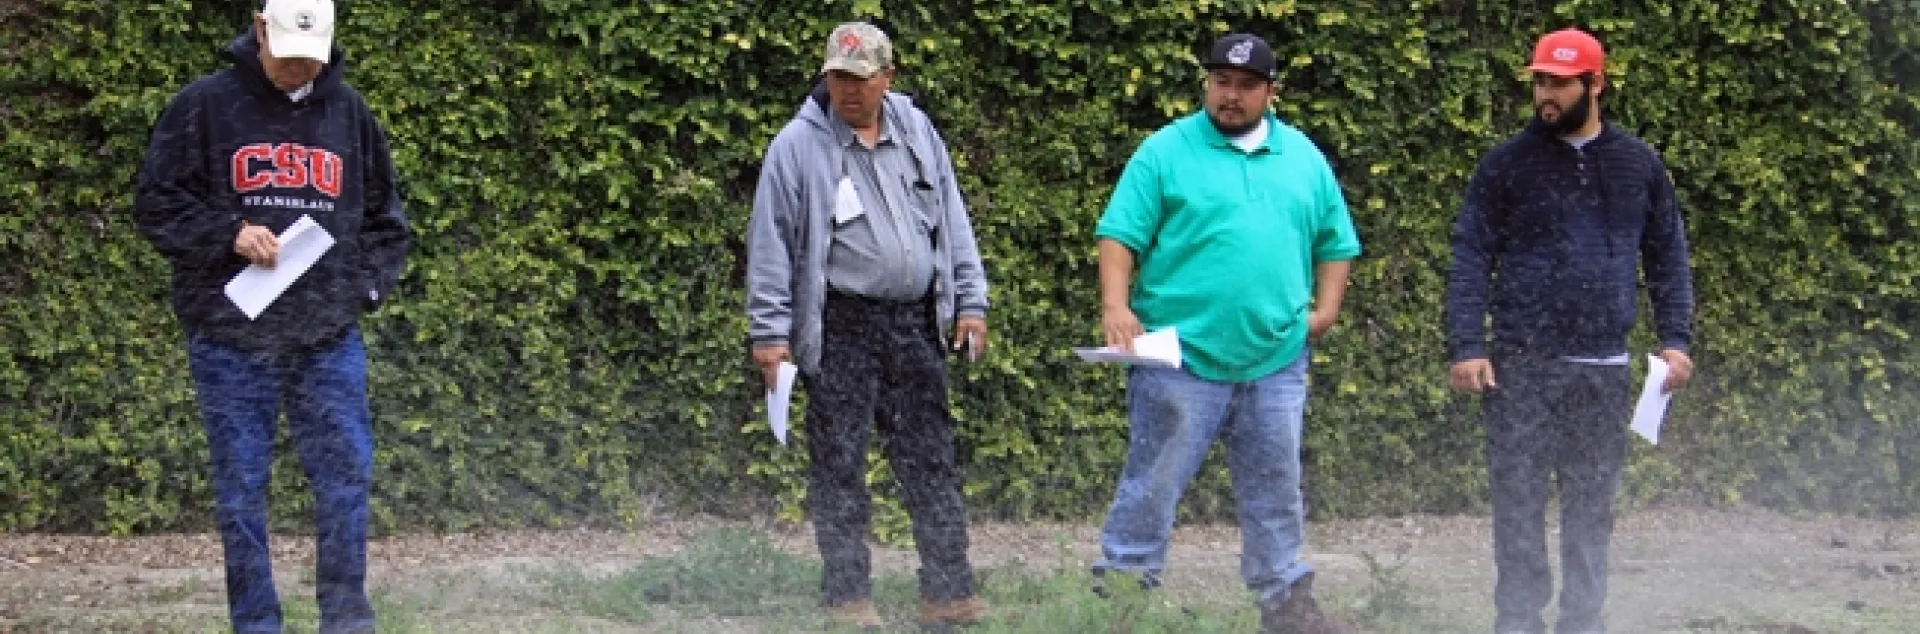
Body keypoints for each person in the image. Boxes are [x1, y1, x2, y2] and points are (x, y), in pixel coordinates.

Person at [131, 0, 411, 631]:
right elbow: (156, 204)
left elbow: (386, 224)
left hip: (328, 339)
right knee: (241, 492)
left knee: (345, 483)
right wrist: (229, 233)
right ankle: (256, 625)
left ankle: (346, 621)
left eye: (310, 56)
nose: (297, 67)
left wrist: (361, 292)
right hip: (230, 338)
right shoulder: (203, 105)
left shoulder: (350, 113)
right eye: (286, 53)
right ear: (260, 28)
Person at [1088, 32, 1360, 634]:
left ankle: (1286, 602)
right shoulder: (1165, 152)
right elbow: (1119, 235)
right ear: (1207, 84)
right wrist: (1116, 305)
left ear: (1270, 92)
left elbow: (1336, 241)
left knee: (1276, 488)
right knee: (1153, 483)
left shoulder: (1303, 158)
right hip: (1178, 357)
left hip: (1277, 358)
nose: (1229, 96)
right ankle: (1123, 599)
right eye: (1220, 83)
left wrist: (1328, 308)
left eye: (1244, 86)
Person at [1444, 27, 1696, 634]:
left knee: (1592, 505)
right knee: (1519, 501)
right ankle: (1518, 622)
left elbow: (1667, 254)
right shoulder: (1506, 164)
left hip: (1605, 366)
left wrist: (1676, 340)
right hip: (1521, 363)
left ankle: (1584, 621)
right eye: (1540, 82)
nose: (1547, 96)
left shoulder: (1639, 164)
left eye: (1559, 83)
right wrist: (1466, 345)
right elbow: (1471, 252)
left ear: (1595, 84)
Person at [743, 20, 993, 631]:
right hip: (841, 325)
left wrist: (971, 301)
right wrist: (770, 336)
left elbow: (952, 217)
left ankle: (948, 593)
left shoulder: (916, 129)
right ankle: (848, 598)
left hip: (915, 321)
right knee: (839, 462)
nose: (847, 90)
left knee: (930, 457)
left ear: (888, 76)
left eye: (860, 79)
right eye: (837, 78)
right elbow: (769, 244)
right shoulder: (795, 147)